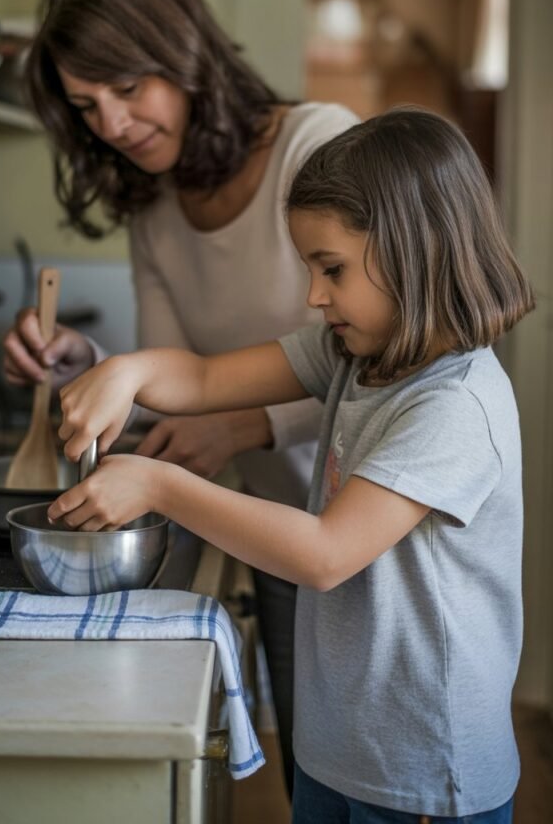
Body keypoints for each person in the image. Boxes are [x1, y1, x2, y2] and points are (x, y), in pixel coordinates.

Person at [47, 108, 534, 823]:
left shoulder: (456, 406)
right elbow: (208, 381)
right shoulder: (356, 350)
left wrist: (158, 484)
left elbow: (327, 554)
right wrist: (127, 371)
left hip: (426, 771)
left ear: (413, 251)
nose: (314, 295)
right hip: (342, 746)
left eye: (330, 268)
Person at [3, 0, 358, 797]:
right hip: (261, 513)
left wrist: (244, 425)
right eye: (88, 107)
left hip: (357, 513)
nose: (114, 125)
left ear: (186, 55)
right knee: (314, 773)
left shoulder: (318, 145)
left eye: (128, 90)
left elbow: (372, 358)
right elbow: (182, 373)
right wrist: (87, 365)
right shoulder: (154, 207)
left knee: (366, 771)